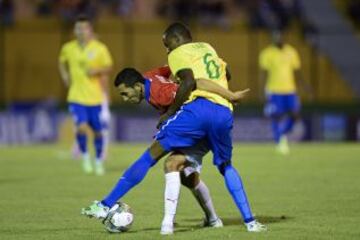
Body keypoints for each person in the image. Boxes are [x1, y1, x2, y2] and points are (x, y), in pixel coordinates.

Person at [81, 22, 266, 234]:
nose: (167, 50)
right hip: (224, 112)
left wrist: (170, 113)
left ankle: (106, 204)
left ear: (177, 40)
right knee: (194, 167)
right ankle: (245, 222)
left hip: (197, 111)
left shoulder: (169, 75)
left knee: (151, 155)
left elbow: (193, 83)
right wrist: (228, 94)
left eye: (167, 44)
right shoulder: (207, 48)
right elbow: (226, 72)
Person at [113, 65, 248, 229]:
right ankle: (213, 220)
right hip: (204, 120)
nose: (125, 99)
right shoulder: (149, 76)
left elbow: (188, 89)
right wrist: (178, 70)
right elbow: (167, 68)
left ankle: (167, 225)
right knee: (186, 175)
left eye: (125, 94)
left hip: (199, 122)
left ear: (137, 86)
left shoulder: (161, 93)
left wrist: (170, 111)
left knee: (168, 163)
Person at [58, 15, 113, 175]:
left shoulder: (100, 48)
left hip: (94, 98)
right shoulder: (68, 48)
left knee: (97, 131)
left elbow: (108, 67)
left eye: (84, 28)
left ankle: (98, 161)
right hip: (76, 97)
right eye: (78, 28)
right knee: (81, 127)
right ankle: (85, 156)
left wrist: (97, 70)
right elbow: (61, 61)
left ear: (90, 30)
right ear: (75, 30)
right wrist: (65, 75)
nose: (81, 31)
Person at [259, 31, 309, 154]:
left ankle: (281, 134)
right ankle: (279, 142)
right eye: (275, 37)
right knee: (276, 116)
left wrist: (305, 86)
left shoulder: (291, 52)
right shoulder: (267, 53)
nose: (278, 39)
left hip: (290, 90)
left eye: (280, 36)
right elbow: (263, 73)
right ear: (272, 39)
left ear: (284, 37)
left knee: (295, 114)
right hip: (274, 90)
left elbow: (297, 71)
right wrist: (261, 90)